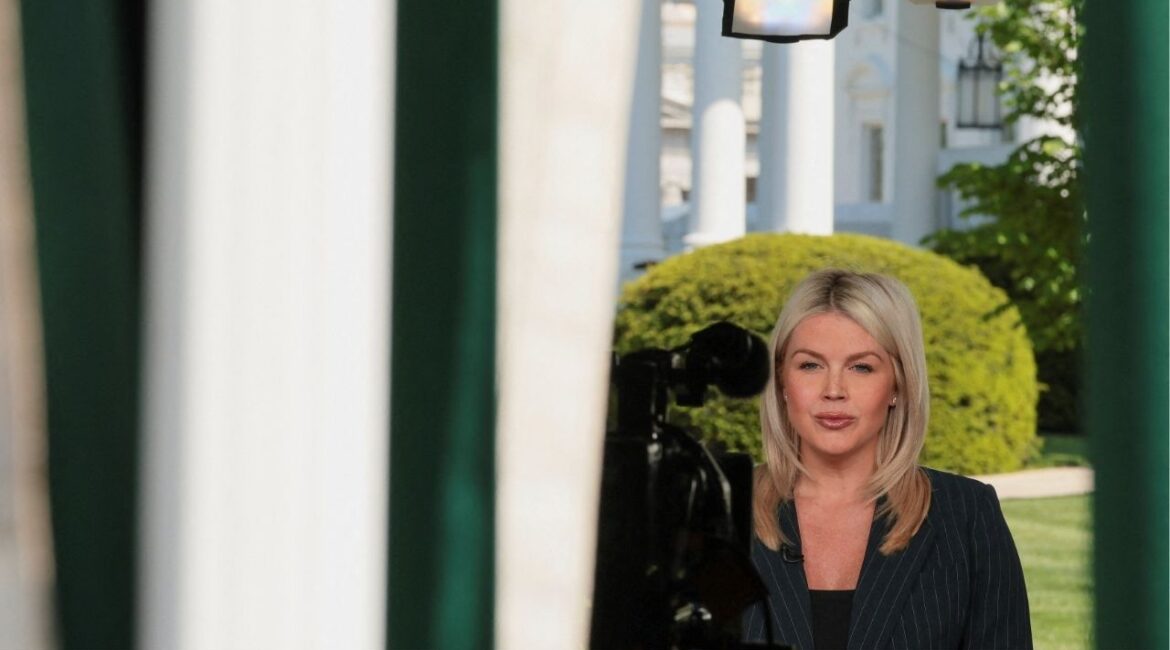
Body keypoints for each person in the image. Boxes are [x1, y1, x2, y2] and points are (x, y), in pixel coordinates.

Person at [741, 268, 1032, 650]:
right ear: (781, 381)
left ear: (898, 383)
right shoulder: (723, 509)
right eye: (810, 365)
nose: (834, 390)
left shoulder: (967, 515)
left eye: (861, 367)